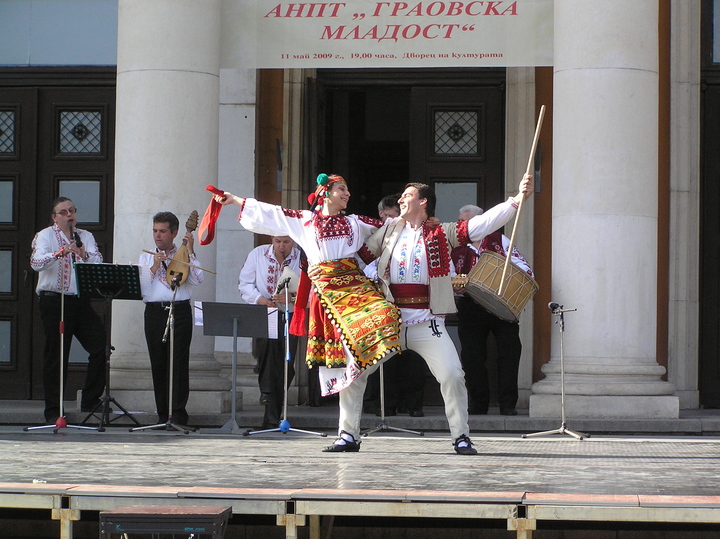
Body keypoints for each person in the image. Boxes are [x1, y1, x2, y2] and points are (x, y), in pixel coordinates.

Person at [216, 173, 402, 452]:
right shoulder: (304, 220)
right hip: (326, 297)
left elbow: (389, 227)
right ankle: (348, 430)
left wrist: (415, 219)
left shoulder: (355, 222)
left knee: (385, 323)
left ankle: (353, 403)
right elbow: (271, 213)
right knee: (345, 364)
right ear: (326, 192)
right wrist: (235, 201)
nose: (347, 193)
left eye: (347, 189)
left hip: (354, 290)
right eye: (342, 188)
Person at [358, 174, 534, 455]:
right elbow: (359, 252)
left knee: (452, 374)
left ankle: (461, 436)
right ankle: (347, 434)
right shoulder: (388, 231)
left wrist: (516, 200)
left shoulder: (442, 233)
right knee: (354, 372)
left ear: (423, 201)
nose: (401, 199)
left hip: (427, 322)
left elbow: (481, 224)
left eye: (407, 195)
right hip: (389, 320)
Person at [452, 205, 534, 416]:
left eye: (466, 222)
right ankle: (478, 404)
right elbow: (447, 276)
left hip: (502, 305)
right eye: (461, 222)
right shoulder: (455, 246)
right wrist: (455, 286)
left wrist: (507, 279)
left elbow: (525, 269)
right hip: (471, 306)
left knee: (509, 352)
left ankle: (508, 404)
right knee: (472, 356)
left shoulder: (500, 241)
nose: (462, 226)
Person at [30, 197, 107, 423]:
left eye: (72, 210)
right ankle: (54, 410)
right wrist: (60, 252)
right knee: (57, 354)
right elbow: (36, 263)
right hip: (54, 300)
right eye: (63, 212)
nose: (69, 215)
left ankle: (90, 399)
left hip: (78, 300)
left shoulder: (85, 236)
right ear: (55, 217)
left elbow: (98, 261)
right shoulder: (45, 235)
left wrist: (81, 253)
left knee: (100, 346)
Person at [137, 211, 204, 426]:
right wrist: (155, 266)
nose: (158, 235)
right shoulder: (146, 256)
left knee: (179, 362)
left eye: (163, 231)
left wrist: (190, 251)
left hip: (179, 310)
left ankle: (178, 414)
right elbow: (141, 287)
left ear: (174, 232)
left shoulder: (183, 252)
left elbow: (197, 279)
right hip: (155, 312)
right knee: (158, 362)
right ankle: (161, 412)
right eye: (155, 231)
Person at [364, 193, 426, 418]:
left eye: (396, 215)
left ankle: (413, 405)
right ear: (381, 215)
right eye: (388, 216)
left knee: (413, 357)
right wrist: (380, 274)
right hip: (383, 304)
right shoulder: (376, 235)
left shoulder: (415, 232)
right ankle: (385, 404)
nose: (393, 220)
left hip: (415, 307)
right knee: (385, 358)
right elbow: (364, 264)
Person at [238, 236, 302, 429]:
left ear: (293, 242)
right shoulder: (257, 254)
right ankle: (268, 402)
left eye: (286, 242)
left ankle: (274, 407)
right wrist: (260, 299)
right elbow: (244, 284)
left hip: (290, 314)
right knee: (266, 356)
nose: (281, 246)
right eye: (278, 241)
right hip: (264, 312)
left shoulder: (302, 258)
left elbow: (312, 287)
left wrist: (290, 297)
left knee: (286, 362)